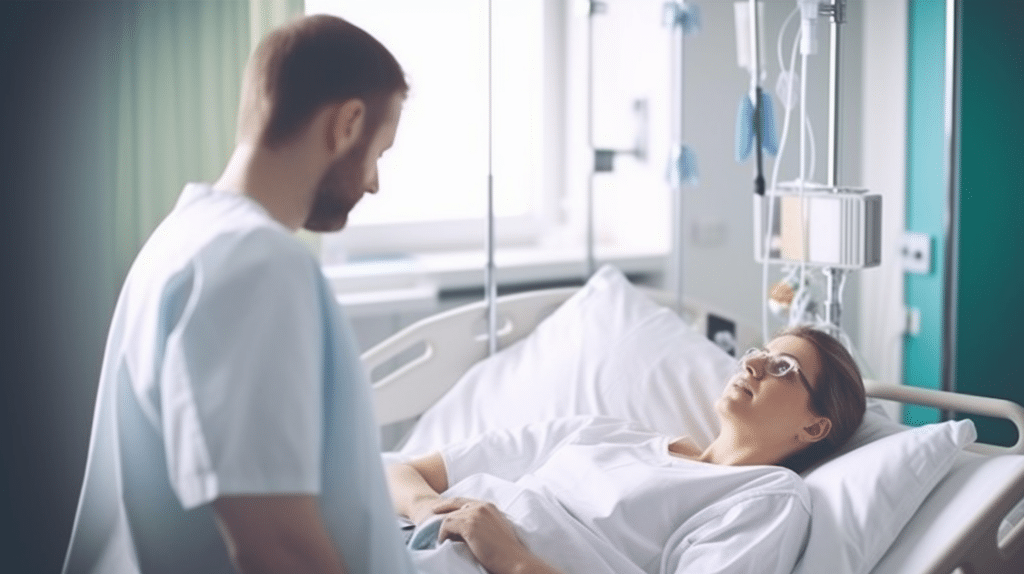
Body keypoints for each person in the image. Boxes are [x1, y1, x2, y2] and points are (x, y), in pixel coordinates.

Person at [62, 15, 415, 574]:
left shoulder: (182, 238)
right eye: (380, 151)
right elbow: (278, 549)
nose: (373, 182)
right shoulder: (255, 265)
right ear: (346, 124)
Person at [387, 325, 867, 574]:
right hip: (409, 539)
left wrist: (510, 559)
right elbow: (400, 471)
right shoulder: (607, 432)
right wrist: (428, 507)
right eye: (759, 351)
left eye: (782, 366)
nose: (755, 363)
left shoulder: (767, 496)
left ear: (814, 426)